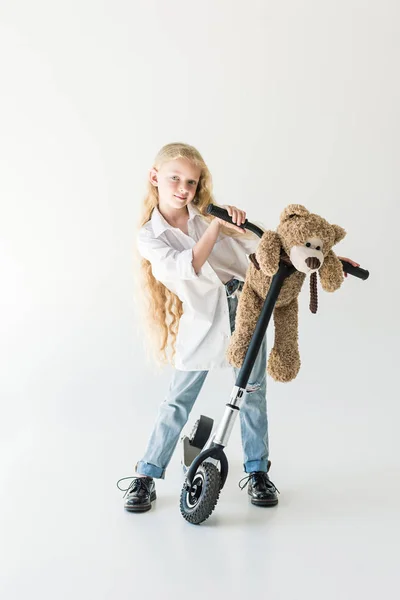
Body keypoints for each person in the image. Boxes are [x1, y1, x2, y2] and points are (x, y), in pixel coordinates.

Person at [116, 142, 358, 513]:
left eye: (192, 183)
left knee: (253, 393)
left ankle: (257, 472)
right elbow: (188, 266)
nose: (183, 189)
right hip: (203, 321)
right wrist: (217, 224)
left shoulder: (204, 216)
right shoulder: (151, 236)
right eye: (174, 179)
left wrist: (327, 258)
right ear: (155, 177)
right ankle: (146, 476)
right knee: (178, 401)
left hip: (247, 307)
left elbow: (270, 244)